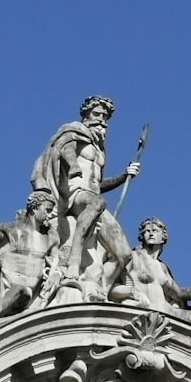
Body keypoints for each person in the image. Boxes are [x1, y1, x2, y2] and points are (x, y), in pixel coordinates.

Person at [30, 95, 139, 296]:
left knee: (124, 254)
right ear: (86, 113)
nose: (101, 119)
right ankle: (73, 266)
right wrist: (73, 165)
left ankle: (99, 289)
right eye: (96, 114)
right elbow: (65, 149)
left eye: (105, 116)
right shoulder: (75, 130)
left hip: (92, 198)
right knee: (98, 202)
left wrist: (124, 176)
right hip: (72, 195)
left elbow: (97, 184)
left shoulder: (100, 150)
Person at [111, 217, 191, 337]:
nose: (151, 233)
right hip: (142, 311)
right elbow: (111, 286)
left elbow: (179, 293)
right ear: (142, 236)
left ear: (163, 237)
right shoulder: (134, 257)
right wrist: (133, 293)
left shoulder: (162, 268)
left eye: (155, 230)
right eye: (147, 231)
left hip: (168, 313)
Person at [0, 191, 58, 327]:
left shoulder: (51, 237)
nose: (51, 215)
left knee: (19, 289)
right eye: (48, 210)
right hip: (4, 289)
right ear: (34, 208)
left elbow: (58, 261)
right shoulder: (8, 230)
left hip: (27, 295)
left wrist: (55, 274)